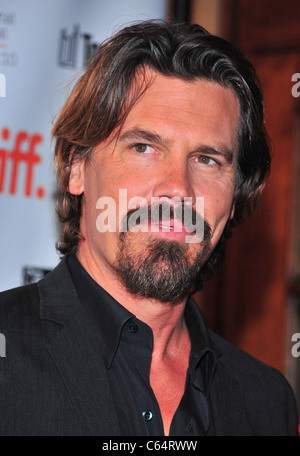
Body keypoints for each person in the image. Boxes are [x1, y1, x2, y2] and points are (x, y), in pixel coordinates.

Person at [0, 20, 298, 436]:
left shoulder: (267, 402)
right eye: (144, 148)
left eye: (207, 159)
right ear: (76, 167)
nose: (177, 188)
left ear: (234, 200)